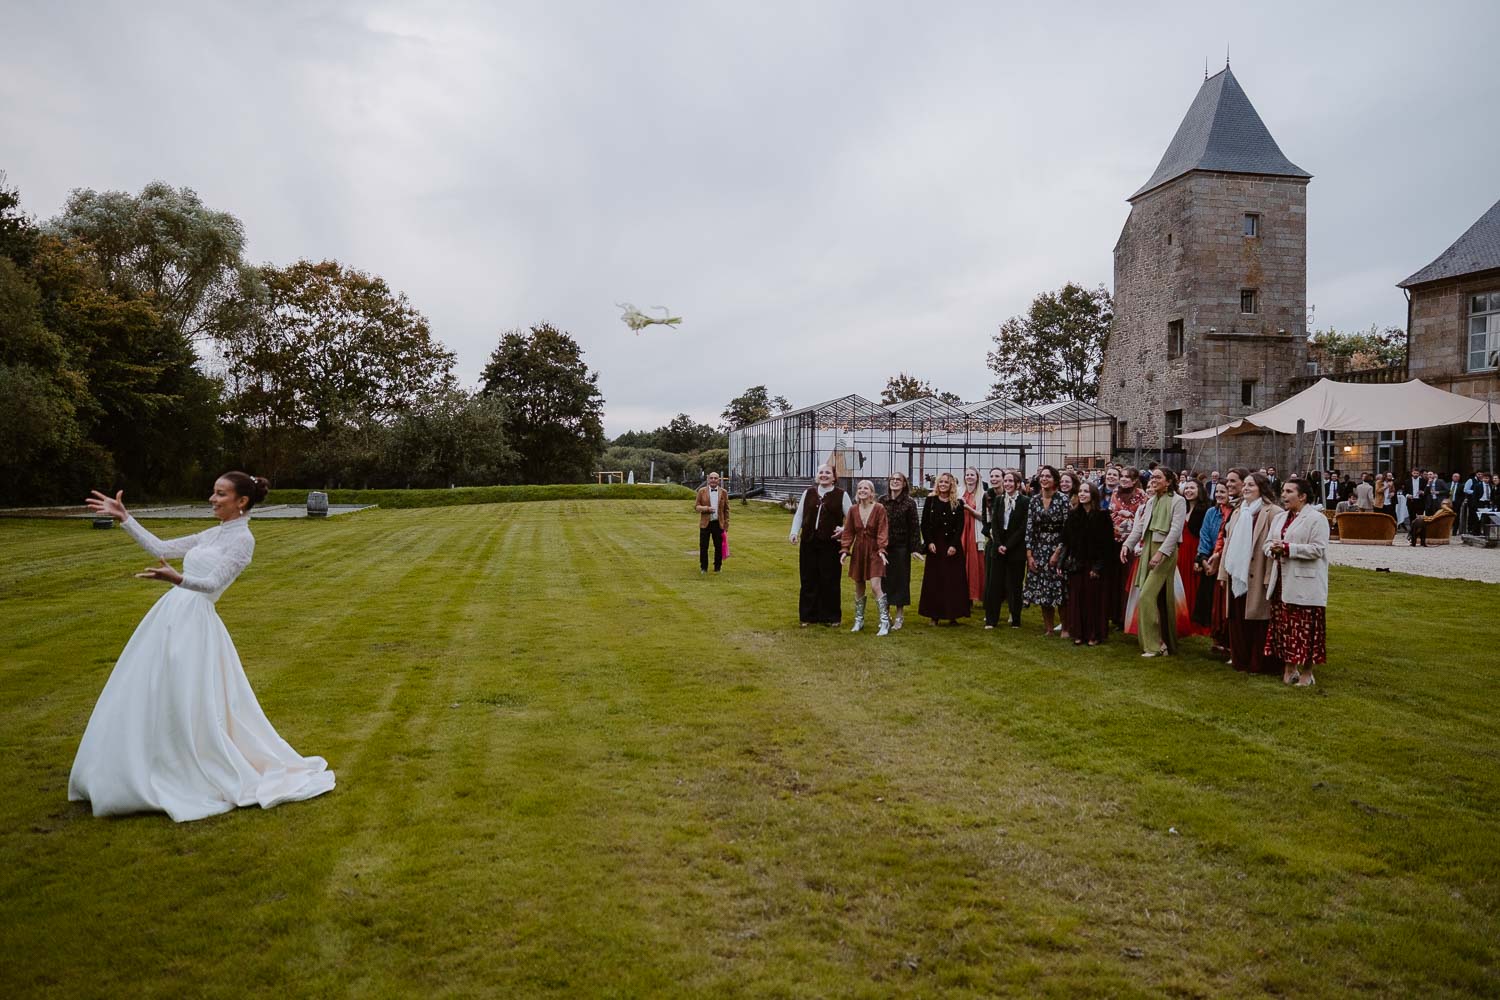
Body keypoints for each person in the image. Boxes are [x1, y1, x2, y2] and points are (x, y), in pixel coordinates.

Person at [71, 474, 335, 822]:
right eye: (213, 492)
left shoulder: (243, 541)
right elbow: (163, 549)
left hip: (195, 621)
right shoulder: (215, 533)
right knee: (150, 688)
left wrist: (177, 579)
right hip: (170, 616)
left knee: (186, 694)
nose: (212, 498)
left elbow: (212, 584)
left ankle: (183, 762)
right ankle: (145, 758)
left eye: (220, 494)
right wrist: (126, 519)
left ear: (241, 502)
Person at [1264, 478, 1329, 687]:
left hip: (1305, 583)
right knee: (1285, 627)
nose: (1284, 495)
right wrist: (1272, 549)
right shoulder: (1280, 518)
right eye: (1283, 491)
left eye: (1289, 491)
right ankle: (1289, 668)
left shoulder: (1316, 519)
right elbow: (1268, 543)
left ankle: (1307, 672)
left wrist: (1288, 548)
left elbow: (1318, 549)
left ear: (1302, 496)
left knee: (1305, 628)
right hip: (1281, 580)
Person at [1217, 472, 1283, 675]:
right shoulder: (1238, 511)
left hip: (1258, 571)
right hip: (1237, 572)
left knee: (1257, 619)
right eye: (1244, 485)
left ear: (1261, 488)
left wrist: (1268, 577)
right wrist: (1223, 573)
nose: (1245, 488)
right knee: (1237, 618)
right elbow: (1229, 543)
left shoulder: (1273, 512)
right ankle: (1240, 660)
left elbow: (1274, 548)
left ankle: (1258, 663)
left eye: (1250, 485)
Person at [1121, 467, 1189, 656]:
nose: (1153, 480)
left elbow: (1175, 531)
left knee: (1146, 595)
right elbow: (1140, 526)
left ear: (1168, 481)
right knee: (1156, 596)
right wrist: (1127, 545)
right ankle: (1164, 641)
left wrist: (1161, 554)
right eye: (1152, 477)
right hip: (1148, 548)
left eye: (1158, 477)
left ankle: (1155, 645)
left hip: (1165, 551)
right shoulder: (1151, 501)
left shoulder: (1178, 501)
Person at [790, 463, 851, 627]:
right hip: (809, 541)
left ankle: (831, 617)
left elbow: (853, 518)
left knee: (829, 579)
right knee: (808, 579)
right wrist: (794, 532)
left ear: (834, 477)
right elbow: (799, 515)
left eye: (827, 473)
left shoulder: (841, 495)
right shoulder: (808, 493)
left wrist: (843, 529)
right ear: (817, 475)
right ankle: (808, 616)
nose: (824, 475)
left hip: (830, 544)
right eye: (821, 472)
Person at [1060, 480, 1113, 645]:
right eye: (1080, 491)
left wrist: (1098, 567)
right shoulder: (1073, 515)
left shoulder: (1103, 516)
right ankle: (1079, 633)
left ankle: (1094, 634)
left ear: (1093, 495)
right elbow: (1066, 541)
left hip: (1095, 564)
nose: (1082, 494)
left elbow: (1107, 545)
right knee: (1077, 599)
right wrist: (1062, 562)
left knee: (1093, 600)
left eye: (1086, 491)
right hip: (1077, 563)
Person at [919, 472, 971, 624]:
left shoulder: (958, 503)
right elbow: (925, 524)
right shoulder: (931, 501)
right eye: (941, 482)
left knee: (953, 582)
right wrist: (929, 542)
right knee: (935, 581)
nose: (943, 485)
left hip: (952, 547)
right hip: (935, 546)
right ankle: (934, 616)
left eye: (946, 482)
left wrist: (954, 545)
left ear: (951, 485)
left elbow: (960, 526)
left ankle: (952, 615)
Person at [840, 480, 891, 635]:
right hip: (859, 551)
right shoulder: (853, 510)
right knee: (859, 586)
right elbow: (848, 532)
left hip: (875, 551)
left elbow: (883, 529)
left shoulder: (879, 508)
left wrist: (882, 549)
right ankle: (859, 620)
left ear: (871, 492)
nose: (862, 490)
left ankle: (884, 621)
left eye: (866, 488)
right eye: (860, 488)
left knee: (876, 586)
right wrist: (844, 550)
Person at [1024, 465, 1068, 636]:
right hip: (1039, 547)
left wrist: (1058, 552)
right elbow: (1030, 528)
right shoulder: (1034, 500)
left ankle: (1065, 627)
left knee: (1060, 587)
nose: (1044, 479)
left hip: (1059, 545)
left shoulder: (1062, 499)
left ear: (1055, 480)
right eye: (1042, 476)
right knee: (1043, 589)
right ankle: (1048, 628)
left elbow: (1067, 528)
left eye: (1048, 476)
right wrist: (1029, 554)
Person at [878, 472, 921, 631]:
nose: (895, 482)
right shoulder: (882, 501)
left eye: (898, 480)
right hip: (884, 547)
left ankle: (899, 615)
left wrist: (916, 548)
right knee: (884, 581)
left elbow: (914, 527)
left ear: (904, 484)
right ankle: (885, 615)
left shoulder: (909, 503)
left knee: (901, 582)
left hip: (901, 547)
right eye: (892, 479)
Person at [1107, 467, 1147, 629]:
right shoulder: (1115, 494)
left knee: (1128, 580)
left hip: (1133, 543)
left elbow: (1142, 518)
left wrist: (1128, 514)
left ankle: (1127, 617)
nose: (1123, 479)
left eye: (1127, 477)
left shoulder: (1141, 496)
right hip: (1116, 541)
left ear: (1135, 479)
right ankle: (1116, 616)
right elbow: (1111, 514)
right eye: (1122, 476)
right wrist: (1120, 514)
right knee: (1115, 579)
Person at [1192, 482, 1229, 633]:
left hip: (1223, 559)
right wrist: (1203, 558)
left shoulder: (1233, 513)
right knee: (1209, 601)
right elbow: (1205, 535)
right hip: (1209, 559)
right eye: (1217, 492)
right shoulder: (1211, 513)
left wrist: (1218, 557)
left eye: (1223, 492)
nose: (1219, 495)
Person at [1176, 478, 1211, 635]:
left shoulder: (1205, 509)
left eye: (1192, 488)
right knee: (1180, 584)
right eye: (1186, 488)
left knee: (1194, 584)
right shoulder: (1180, 507)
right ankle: (1180, 618)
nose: (1188, 491)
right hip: (1181, 550)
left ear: (1200, 490)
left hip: (1196, 549)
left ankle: (1195, 620)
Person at [960, 467, 986, 607]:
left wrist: (968, 508)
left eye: (972, 475)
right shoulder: (958, 492)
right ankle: (961, 594)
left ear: (977, 477)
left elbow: (983, 516)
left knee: (975, 564)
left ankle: (974, 594)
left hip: (975, 532)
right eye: (967, 475)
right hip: (961, 531)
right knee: (960, 563)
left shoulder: (983, 494)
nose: (969, 477)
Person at [695, 471, 730, 573]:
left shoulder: (723, 492)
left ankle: (718, 567)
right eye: (711, 478)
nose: (713, 480)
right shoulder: (701, 491)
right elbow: (696, 506)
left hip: (718, 523)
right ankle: (703, 567)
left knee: (718, 546)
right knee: (703, 546)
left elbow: (726, 510)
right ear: (708, 479)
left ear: (719, 480)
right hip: (705, 523)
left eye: (715, 478)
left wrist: (726, 525)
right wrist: (706, 508)